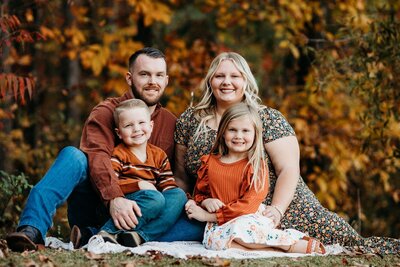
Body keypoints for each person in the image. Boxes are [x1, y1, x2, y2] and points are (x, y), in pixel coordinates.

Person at [173, 51, 400, 254]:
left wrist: (277, 211)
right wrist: (193, 203)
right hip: (220, 213)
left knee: (345, 243)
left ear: (246, 81)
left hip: (280, 207)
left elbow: (289, 169)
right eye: (220, 76)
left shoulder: (267, 119)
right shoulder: (191, 120)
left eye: (235, 76)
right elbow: (182, 176)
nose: (227, 82)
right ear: (210, 80)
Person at [6, 47, 179, 251]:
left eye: (158, 75)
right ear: (129, 78)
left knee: (180, 201)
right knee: (73, 156)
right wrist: (114, 197)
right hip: (98, 204)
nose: (152, 81)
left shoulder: (171, 123)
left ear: (166, 80)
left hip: (144, 208)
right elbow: (97, 156)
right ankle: (32, 228)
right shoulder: (106, 112)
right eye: (144, 74)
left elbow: (171, 177)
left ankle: (97, 236)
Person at [185, 102, 326, 254]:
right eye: (232, 130)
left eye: (245, 131)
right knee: (214, 243)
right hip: (220, 223)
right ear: (223, 132)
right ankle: (275, 249)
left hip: (248, 217)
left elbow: (249, 205)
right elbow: (200, 192)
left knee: (240, 229)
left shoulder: (255, 165)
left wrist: (208, 216)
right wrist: (206, 201)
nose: (239, 136)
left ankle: (290, 243)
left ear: (255, 135)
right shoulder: (209, 162)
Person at [96, 99, 186, 247]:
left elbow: (168, 185)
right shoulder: (119, 154)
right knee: (155, 198)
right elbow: (113, 183)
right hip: (126, 204)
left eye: (141, 123)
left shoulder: (159, 155)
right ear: (119, 133)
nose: (136, 129)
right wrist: (138, 185)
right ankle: (107, 231)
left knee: (178, 195)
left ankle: (138, 236)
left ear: (151, 126)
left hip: (153, 204)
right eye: (128, 125)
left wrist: (183, 201)